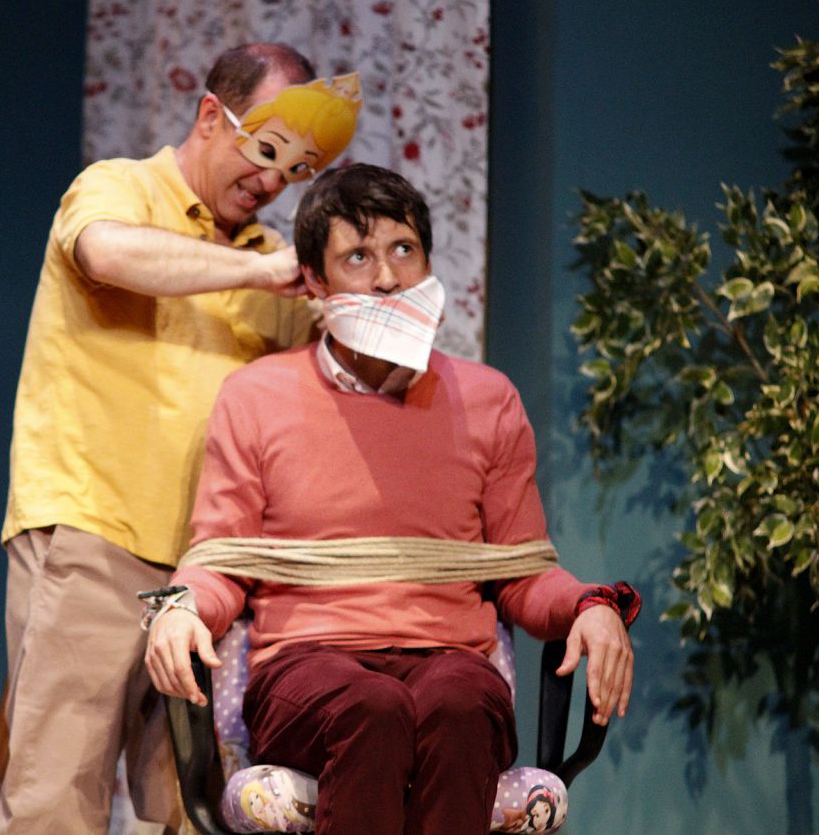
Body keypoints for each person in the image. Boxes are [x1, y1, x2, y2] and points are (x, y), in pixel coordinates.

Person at [144, 164, 638, 834]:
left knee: (459, 704)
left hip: (450, 661)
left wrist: (592, 606)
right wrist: (179, 607)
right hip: (306, 665)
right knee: (371, 707)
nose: (386, 278)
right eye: (357, 256)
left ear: (429, 264)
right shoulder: (256, 396)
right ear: (314, 282)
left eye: (404, 250)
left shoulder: (488, 399)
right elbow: (221, 560)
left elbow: (524, 573)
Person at [0, 43, 362, 835]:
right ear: (210, 116)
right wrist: (258, 275)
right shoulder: (119, 188)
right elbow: (105, 251)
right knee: (57, 799)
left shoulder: (270, 257)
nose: (271, 182)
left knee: (199, 808)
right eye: (265, 151)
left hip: (207, 574)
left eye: (293, 170)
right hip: (95, 535)